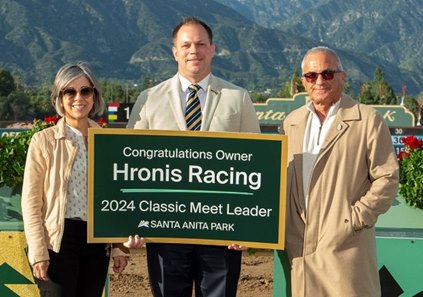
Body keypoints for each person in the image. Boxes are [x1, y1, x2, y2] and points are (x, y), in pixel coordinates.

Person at [125, 16, 260, 297]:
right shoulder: (148, 99)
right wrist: (130, 222)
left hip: (222, 230)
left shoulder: (238, 98)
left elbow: (255, 164)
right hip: (165, 231)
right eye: (185, 45)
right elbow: (130, 165)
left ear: (213, 49)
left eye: (200, 44)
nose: (193, 51)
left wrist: (250, 229)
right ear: (174, 51)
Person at [281, 46, 399, 296]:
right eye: (311, 76)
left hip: (346, 247)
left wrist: (354, 219)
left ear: (342, 77)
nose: (319, 81)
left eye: (328, 74)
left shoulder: (368, 120)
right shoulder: (291, 123)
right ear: (303, 81)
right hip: (299, 248)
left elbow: (387, 178)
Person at [21, 62, 129, 297]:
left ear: (94, 96)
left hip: (96, 241)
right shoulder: (43, 141)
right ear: (60, 97)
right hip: (58, 242)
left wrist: (118, 247)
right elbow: (31, 203)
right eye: (69, 91)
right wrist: (39, 252)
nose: (78, 97)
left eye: (85, 90)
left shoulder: (107, 141)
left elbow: (115, 196)